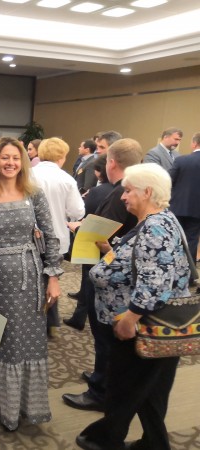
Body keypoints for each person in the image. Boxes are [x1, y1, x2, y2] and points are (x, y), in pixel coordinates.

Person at [76, 163, 190, 450]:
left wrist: (129, 319)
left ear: (147, 192)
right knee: (149, 391)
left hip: (142, 326)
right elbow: (143, 263)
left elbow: (154, 284)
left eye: (128, 191)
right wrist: (111, 251)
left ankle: (106, 440)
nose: (123, 196)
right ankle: (153, 443)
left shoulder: (155, 228)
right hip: (157, 325)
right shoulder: (160, 220)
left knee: (124, 388)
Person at [0, 136, 63, 431]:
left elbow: (50, 236)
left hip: (31, 279)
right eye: (4, 158)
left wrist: (53, 277)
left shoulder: (34, 194)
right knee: (0, 339)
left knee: (29, 342)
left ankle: (25, 406)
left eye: (15, 158)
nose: (10, 163)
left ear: (22, 162)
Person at [62, 138, 141, 413]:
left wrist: (79, 229)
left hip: (109, 276)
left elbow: (103, 234)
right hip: (116, 271)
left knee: (105, 335)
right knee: (105, 338)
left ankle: (100, 391)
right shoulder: (126, 190)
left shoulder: (121, 193)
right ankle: (101, 377)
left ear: (111, 162)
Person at [32, 137, 84, 336]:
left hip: (30, 236)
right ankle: (50, 321)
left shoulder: (28, 175)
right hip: (57, 238)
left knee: (30, 280)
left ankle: (35, 320)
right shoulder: (67, 179)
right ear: (62, 157)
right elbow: (77, 211)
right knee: (51, 279)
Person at [64, 154, 113, 331]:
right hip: (113, 246)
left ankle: (79, 317)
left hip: (93, 242)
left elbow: (85, 213)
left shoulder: (97, 192)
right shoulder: (120, 190)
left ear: (98, 172)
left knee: (88, 280)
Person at [169, 131, 200, 262]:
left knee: (174, 238)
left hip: (177, 206)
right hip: (197, 210)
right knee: (192, 240)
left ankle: (172, 267)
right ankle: (188, 270)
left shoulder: (181, 160)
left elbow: (169, 181)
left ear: (194, 143)